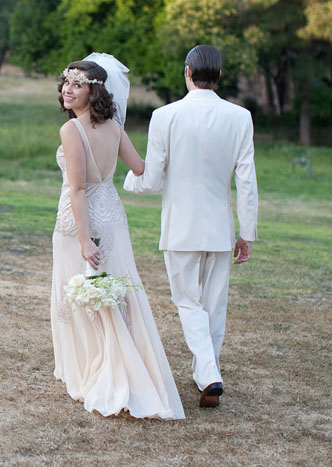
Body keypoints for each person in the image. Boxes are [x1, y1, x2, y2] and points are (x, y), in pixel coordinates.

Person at [123, 45, 258, 408]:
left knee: (188, 301)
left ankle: (210, 374)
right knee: (214, 304)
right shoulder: (240, 116)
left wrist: (127, 181)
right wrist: (247, 231)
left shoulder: (165, 115)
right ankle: (207, 375)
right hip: (219, 227)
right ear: (218, 75)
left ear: (187, 72)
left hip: (180, 226)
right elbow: (247, 180)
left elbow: (150, 179)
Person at [50, 58, 185, 420]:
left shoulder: (72, 131)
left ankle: (95, 369)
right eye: (66, 82)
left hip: (79, 222)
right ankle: (123, 364)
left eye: (77, 84)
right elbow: (141, 168)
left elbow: (78, 190)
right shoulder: (115, 127)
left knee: (84, 292)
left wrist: (83, 241)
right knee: (116, 294)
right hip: (114, 217)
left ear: (93, 90)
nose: (68, 89)